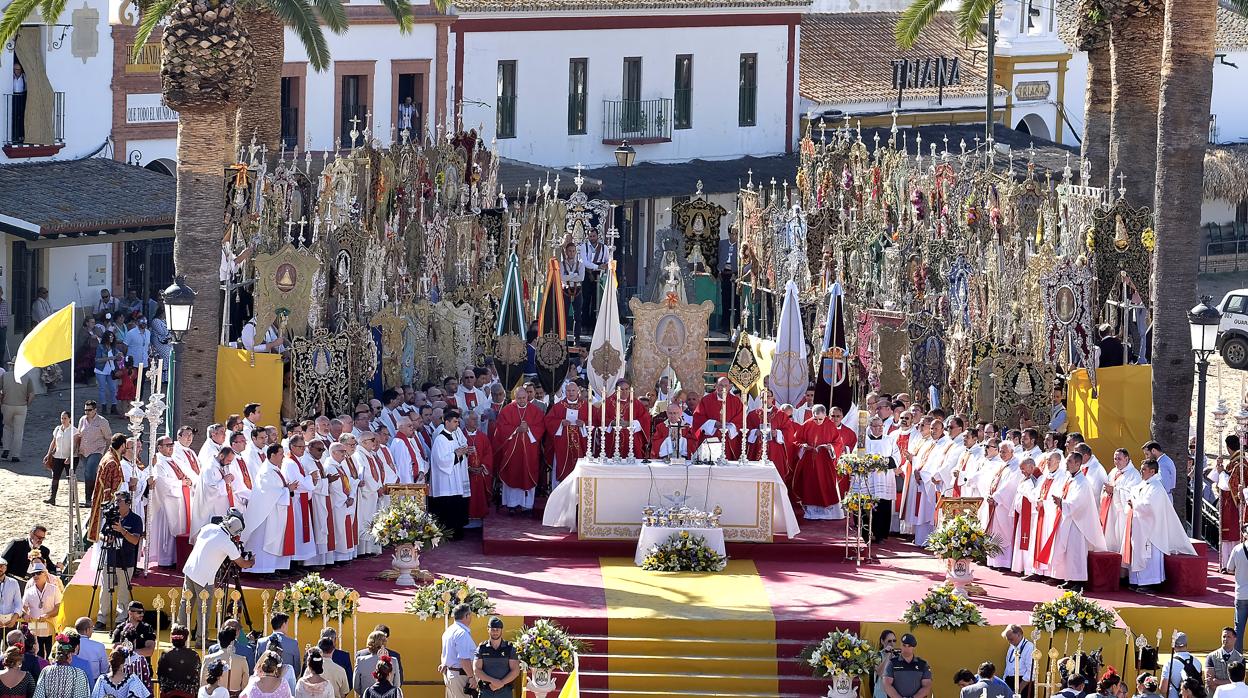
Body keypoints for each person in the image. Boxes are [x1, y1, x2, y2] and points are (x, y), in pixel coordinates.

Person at [1125, 459, 1196, 590]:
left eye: (1144, 469)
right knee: (1139, 553)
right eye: (1141, 469)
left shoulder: (1156, 487)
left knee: (1149, 556)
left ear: (1153, 471)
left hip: (1152, 530)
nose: (1141, 471)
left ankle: (1150, 583)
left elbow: (1149, 506)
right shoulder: (1144, 484)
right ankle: (1136, 580)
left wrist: (1134, 503)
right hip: (1140, 526)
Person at [94, 491, 143, 629]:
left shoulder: (135, 519)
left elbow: (134, 540)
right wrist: (106, 538)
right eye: (115, 500)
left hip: (126, 561)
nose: (116, 503)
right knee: (105, 590)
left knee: (123, 591)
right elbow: (101, 534)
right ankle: (101, 618)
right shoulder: (112, 516)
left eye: (119, 501)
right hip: (109, 559)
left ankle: (120, 619)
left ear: (128, 503)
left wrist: (122, 531)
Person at [492, 389, 545, 514]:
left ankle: (527, 505)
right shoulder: (507, 410)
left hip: (529, 450)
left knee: (528, 474)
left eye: (523, 398)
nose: (521, 401)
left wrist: (528, 429)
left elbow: (541, 427)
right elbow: (501, 428)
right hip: (512, 451)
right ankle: (512, 504)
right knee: (512, 473)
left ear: (527, 396)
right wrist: (516, 429)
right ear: (514, 397)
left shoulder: (536, 411)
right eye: (519, 398)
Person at [429, 411, 471, 537]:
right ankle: (447, 533)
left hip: (454, 477)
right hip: (445, 481)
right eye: (454, 421)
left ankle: (456, 532)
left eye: (458, 421)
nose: (457, 424)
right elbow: (441, 460)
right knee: (448, 506)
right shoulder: (440, 439)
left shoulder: (454, 436)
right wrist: (457, 454)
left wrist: (464, 452)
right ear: (446, 422)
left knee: (456, 504)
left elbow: (458, 455)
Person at [31, 633, 89, 698]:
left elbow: (38, 695)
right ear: (69, 656)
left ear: (55, 655)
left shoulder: (46, 671)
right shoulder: (79, 673)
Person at [20, 564, 60, 657]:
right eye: (33, 574)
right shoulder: (29, 591)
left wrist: (47, 615)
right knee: (37, 655)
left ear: (45, 574)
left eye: (38, 573)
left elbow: (58, 607)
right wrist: (24, 614)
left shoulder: (54, 589)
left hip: (51, 627)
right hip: (35, 629)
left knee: (52, 654)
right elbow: (22, 608)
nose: (35, 576)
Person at [78, 403, 112, 511]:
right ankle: (93, 496)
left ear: (95, 410)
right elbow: (79, 434)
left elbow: (108, 437)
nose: (87, 412)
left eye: (89, 410)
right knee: (89, 473)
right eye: (85, 410)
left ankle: (89, 499)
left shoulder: (102, 421)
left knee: (89, 472)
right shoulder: (82, 420)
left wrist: (106, 452)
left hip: (97, 450)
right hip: (84, 451)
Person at [473, 617, 518, 698]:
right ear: (488, 629)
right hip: (486, 691)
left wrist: (501, 683)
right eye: (492, 629)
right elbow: (476, 670)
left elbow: (515, 670)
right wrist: (493, 681)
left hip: (505, 691)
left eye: (497, 629)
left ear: (501, 630)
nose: (495, 632)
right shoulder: (482, 648)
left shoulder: (509, 648)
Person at [0, 361, 35, 462]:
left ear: (11, 366)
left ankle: (6, 448)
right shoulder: (27, 377)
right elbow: (32, 394)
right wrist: (27, 404)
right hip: (21, 406)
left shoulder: (5, 376)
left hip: (7, 404)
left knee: (7, 427)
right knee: (18, 431)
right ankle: (15, 455)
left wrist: (1, 402)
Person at [439, 604, 476, 698]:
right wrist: (471, 677)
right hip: (460, 675)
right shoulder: (461, 633)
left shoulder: (449, 631)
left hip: (451, 673)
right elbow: (464, 659)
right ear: (467, 615)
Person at [201, 628, 249, 698]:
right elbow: (245, 685)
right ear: (232, 641)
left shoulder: (208, 659)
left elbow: (203, 684)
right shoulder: (242, 660)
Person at [43, 412, 78, 506]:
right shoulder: (58, 429)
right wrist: (48, 454)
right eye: (62, 418)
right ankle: (52, 498)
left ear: (69, 419)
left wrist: (70, 457)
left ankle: (73, 498)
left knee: (70, 478)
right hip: (57, 456)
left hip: (70, 457)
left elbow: (75, 445)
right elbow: (53, 442)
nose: (63, 420)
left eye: (65, 418)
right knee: (55, 477)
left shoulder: (74, 430)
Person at [156, 626, 200, 698]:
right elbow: (197, 678)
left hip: (168, 695)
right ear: (186, 638)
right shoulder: (194, 655)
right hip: (188, 695)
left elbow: (160, 674)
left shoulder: (166, 654)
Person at [883, 633, 931, 698]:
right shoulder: (892, 663)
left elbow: (926, 686)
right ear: (901, 646)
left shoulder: (922, 664)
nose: (906, 648)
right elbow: (887, 685)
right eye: (904, 645)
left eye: (909, 646)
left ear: (913, 647)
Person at [353, 632, 399, 698]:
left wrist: (367, 693)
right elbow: (397, 684)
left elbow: (356, 686)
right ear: (384, 643)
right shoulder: (393, 661)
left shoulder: (360, 661)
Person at [1161, 634, 1203, 698]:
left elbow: (1163, 689)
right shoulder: (1197, 662)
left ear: (1173, 645)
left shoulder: (1169, 663)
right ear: (1186, 644)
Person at [70, 620, 105, 691]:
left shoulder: (69, 643)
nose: (93, 630)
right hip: (94, 684)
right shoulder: (99, 646)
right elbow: (104, 669)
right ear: (87, 630)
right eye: (92, 627)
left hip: (70, 684)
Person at [1002, 624, 1035, 698]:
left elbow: (1031, 672)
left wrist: (1019, 690)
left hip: (1023, 685)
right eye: (1008, 639)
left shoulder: (1029, 647)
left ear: (1019, 635)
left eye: (1011, 639)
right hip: (1010, 683)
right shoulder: (1012, 646)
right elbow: (1008, 666)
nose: (1009, 642)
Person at [94, 333, 121, 415]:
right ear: (106, 337)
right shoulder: (100, 347)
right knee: (102, 389)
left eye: (113, 336)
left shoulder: (113, 348)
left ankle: (114, 406)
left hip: (111, 370)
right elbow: (97, 360)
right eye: (110, 336)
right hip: (101, 370)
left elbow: (118, 355)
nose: (112, 338)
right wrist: (109, 358)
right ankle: (104, 406)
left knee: (113, 388)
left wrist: (119, 355)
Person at [874, 630, 898, 698]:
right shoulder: (877, 656)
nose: (892, 643)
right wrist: (888, 655)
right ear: (882, 641)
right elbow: (880, 673)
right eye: (889, 641)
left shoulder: (897, 656)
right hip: (881, 694)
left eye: (894, 640)